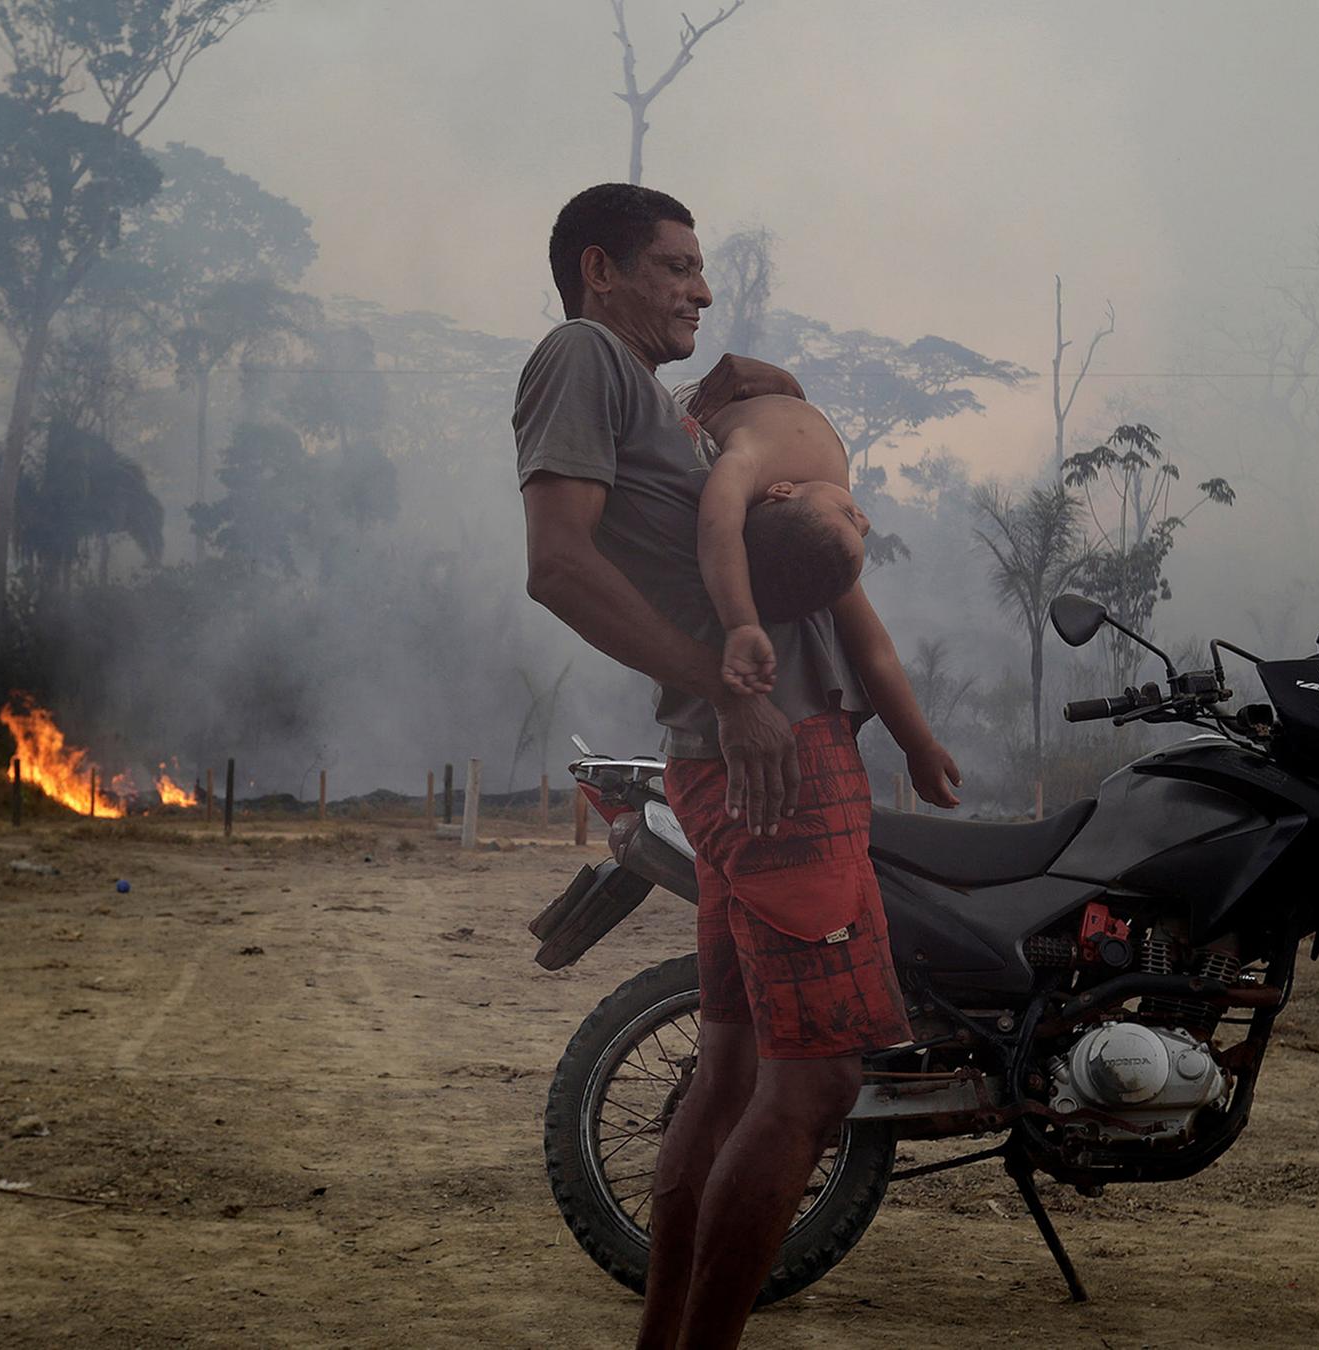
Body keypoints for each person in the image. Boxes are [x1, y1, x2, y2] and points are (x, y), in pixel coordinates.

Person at [514, 183, 933, 1349]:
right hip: (769, 756)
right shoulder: (582, 355)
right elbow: (555, 565)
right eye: (676, 266)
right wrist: (722, 687)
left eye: (703, 269)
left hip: (759, 750)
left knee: (734, 1069)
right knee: (816, 1089)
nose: (702, 288)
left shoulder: (653, 404)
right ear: (600, 269)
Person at [696, 393, 962, 808]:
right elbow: (876, 651)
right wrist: (918, 745)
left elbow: (718, 528)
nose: (866, 521)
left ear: (783, 492)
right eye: (854, 521)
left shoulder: (756, 473)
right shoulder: (807, 532)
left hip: (736, 395)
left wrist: (920, 746)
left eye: (850, 518)